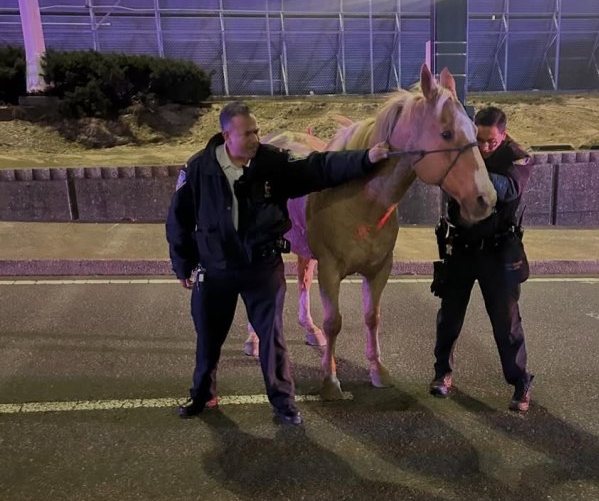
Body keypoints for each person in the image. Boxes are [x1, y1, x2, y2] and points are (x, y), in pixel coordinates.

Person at [167, 101, 388, 425]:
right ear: (227, 136)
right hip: (217, 268)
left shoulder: (273, 163)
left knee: (272, 340)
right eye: (249, 133)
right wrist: (182, 263)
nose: (257, 137)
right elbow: (178, 218)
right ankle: (202, 394)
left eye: (257, 131)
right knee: (209, 338)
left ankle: (284, 405)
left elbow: (318, 169)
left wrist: (365, 159)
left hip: (262, 266)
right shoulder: (199, 167)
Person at [429, 105, 534, 412]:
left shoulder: (517, 156)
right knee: (449, 316)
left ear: (503, 135)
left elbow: (511, 188)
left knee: (507, 323)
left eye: (491, 141)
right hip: (461, 246)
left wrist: (471, 168)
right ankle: (442, 372)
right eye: (480, 140)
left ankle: (520, 381)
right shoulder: (464, 148)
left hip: (498, 252)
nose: (485, 147)